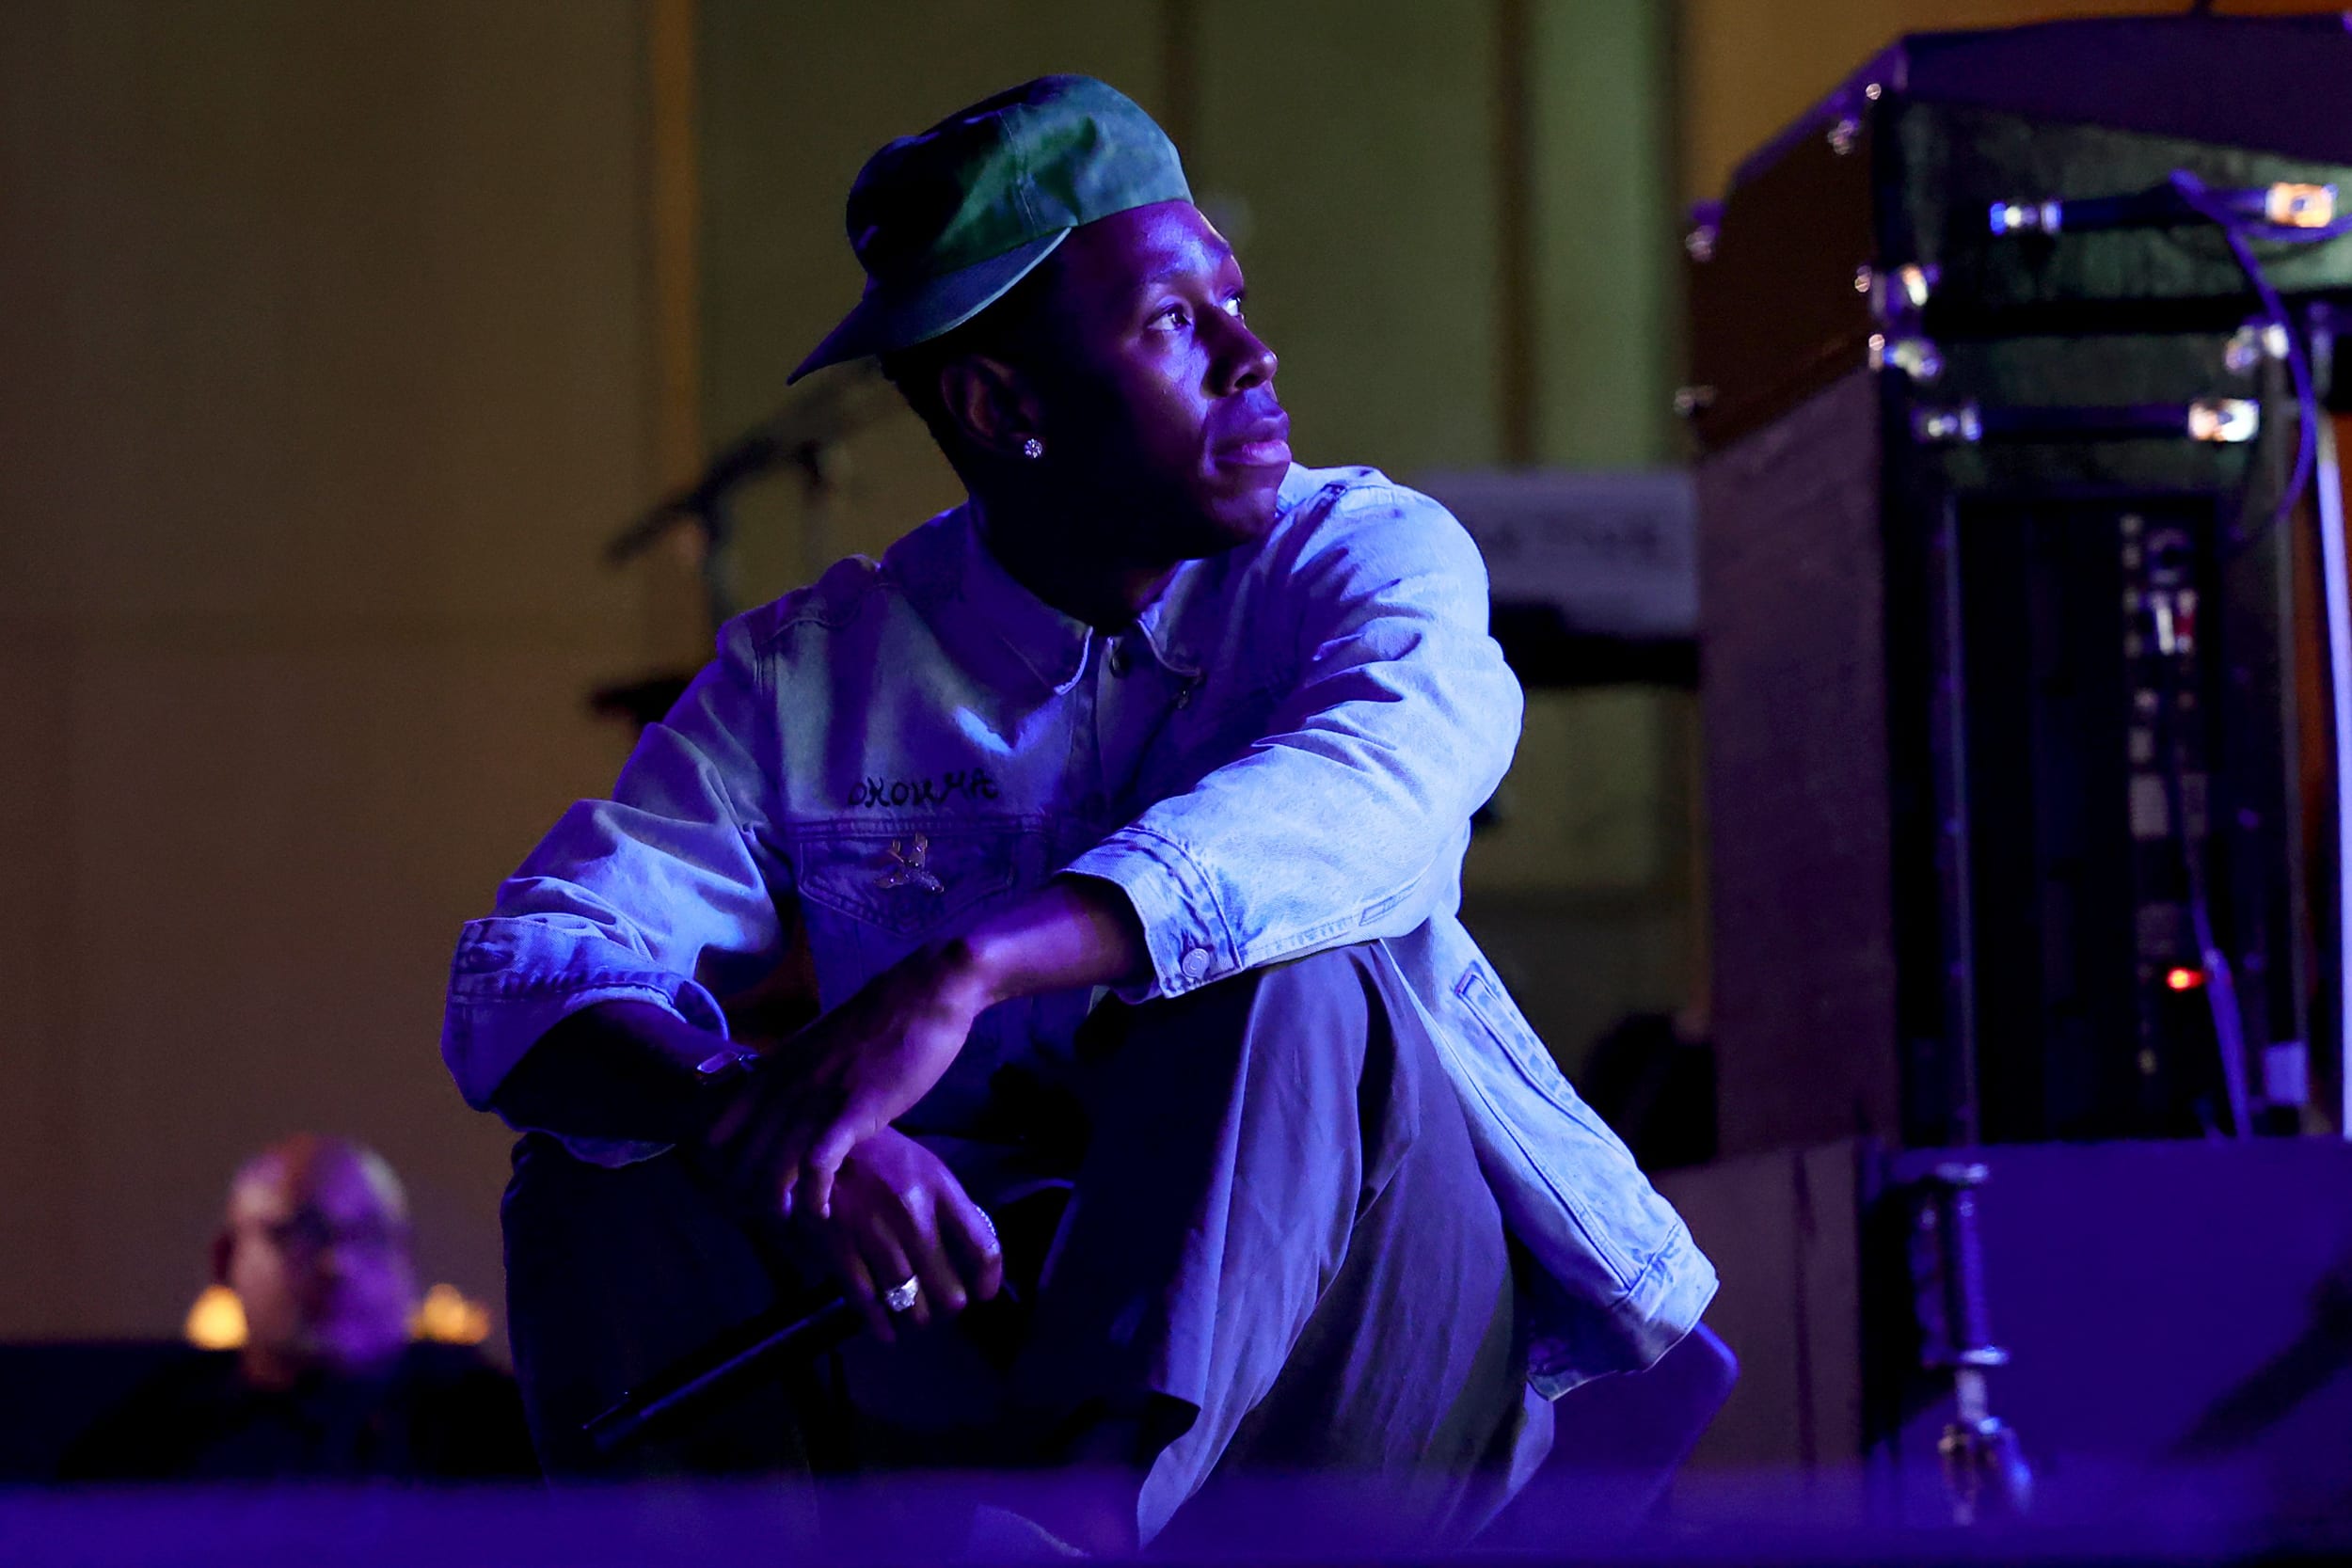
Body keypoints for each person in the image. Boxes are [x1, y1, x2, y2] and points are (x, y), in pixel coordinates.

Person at [445, 76, 1716, 1552]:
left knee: (1291, 976)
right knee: (601, 1144)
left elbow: (1377, 781)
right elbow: (521, 969)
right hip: (986, 1336)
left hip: (1373, 1356)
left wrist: (967, 966)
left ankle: (1080, 1521)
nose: (1256, 354)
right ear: (1002, 406)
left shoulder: (1368, 555)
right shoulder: (819, 671)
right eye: (1179, 322)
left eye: (1233, 301)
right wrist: (769, 1111)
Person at [58, 1134, 535, 1482]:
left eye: (368, 1237)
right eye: (300, 1234)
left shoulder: (505, 1434)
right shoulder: (145, 1450)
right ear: (226, 1260)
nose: (337, 1265)